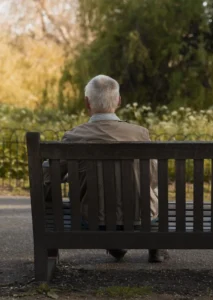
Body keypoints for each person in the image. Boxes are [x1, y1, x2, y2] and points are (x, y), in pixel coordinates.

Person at [43, 74, 167, 262]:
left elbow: (49, 175)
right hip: (140, 218)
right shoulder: (140, 133)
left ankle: (115, 243)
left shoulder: (74, 137)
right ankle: (155, 245)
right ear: (118, 101)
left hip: (92, 219)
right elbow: (153, 178)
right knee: (150, 192)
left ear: (87, 103)